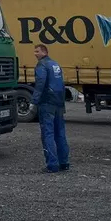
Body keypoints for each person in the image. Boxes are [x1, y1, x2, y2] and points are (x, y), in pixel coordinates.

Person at [32, 43, 70, 173]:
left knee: (48, 134)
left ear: (44, 52)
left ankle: (52, 165)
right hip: (58, 102)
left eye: (37, 51)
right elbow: (61, 84)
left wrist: (34, 101)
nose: (35, 54)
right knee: (60, 133)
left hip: (47, 102)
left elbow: (40, 83)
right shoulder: (55, 64)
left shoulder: (42, 65)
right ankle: (64, 162)